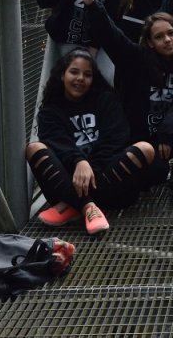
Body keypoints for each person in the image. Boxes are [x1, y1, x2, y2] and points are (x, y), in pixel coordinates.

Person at [78, 0, 173, 201]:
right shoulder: (135, 59)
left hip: (167, 136)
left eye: (171, 34)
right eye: (160, 37)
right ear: (150, 42)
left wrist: (167, 133)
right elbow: (111, 36)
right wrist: (91, 3)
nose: (168, 40)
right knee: (156, 174)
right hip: (137, 140)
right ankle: (147, 177)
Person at [25, 49, 155, 234]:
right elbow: (58, 145)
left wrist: (89, 167)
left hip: (108, 184)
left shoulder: (106, 100)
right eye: (74, 72)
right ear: (62, 75)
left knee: (146, 149)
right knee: (34, 148)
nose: (80, 78)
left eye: (87, 74)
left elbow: (115, 140)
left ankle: (72, 206)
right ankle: (88, 207)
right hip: (70, 182)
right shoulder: (50, 112)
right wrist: (79, 161)